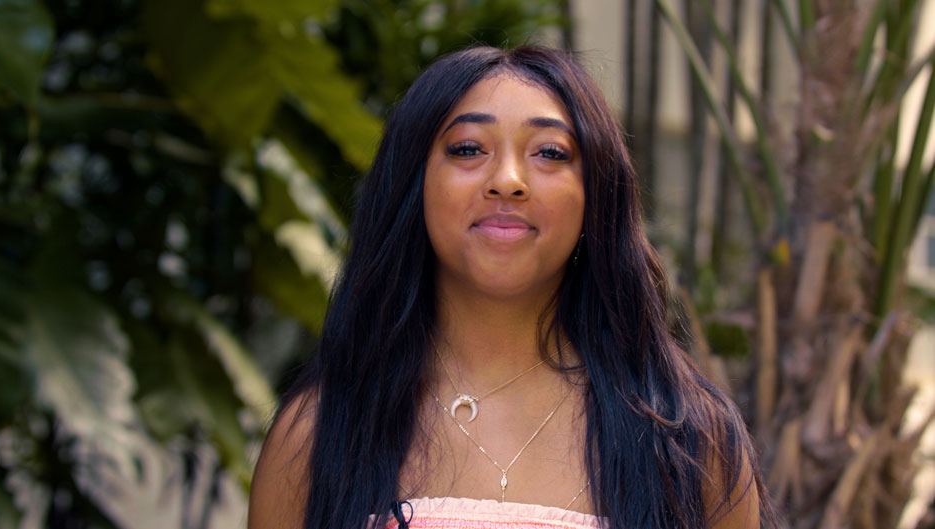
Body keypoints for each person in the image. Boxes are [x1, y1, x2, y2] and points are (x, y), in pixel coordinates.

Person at [248, 45, 774, 529]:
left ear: (596, 194)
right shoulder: (318, 436)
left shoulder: (690, 442)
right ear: (414, 183)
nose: (508, 180)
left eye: (550, 153)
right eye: (468, 148)